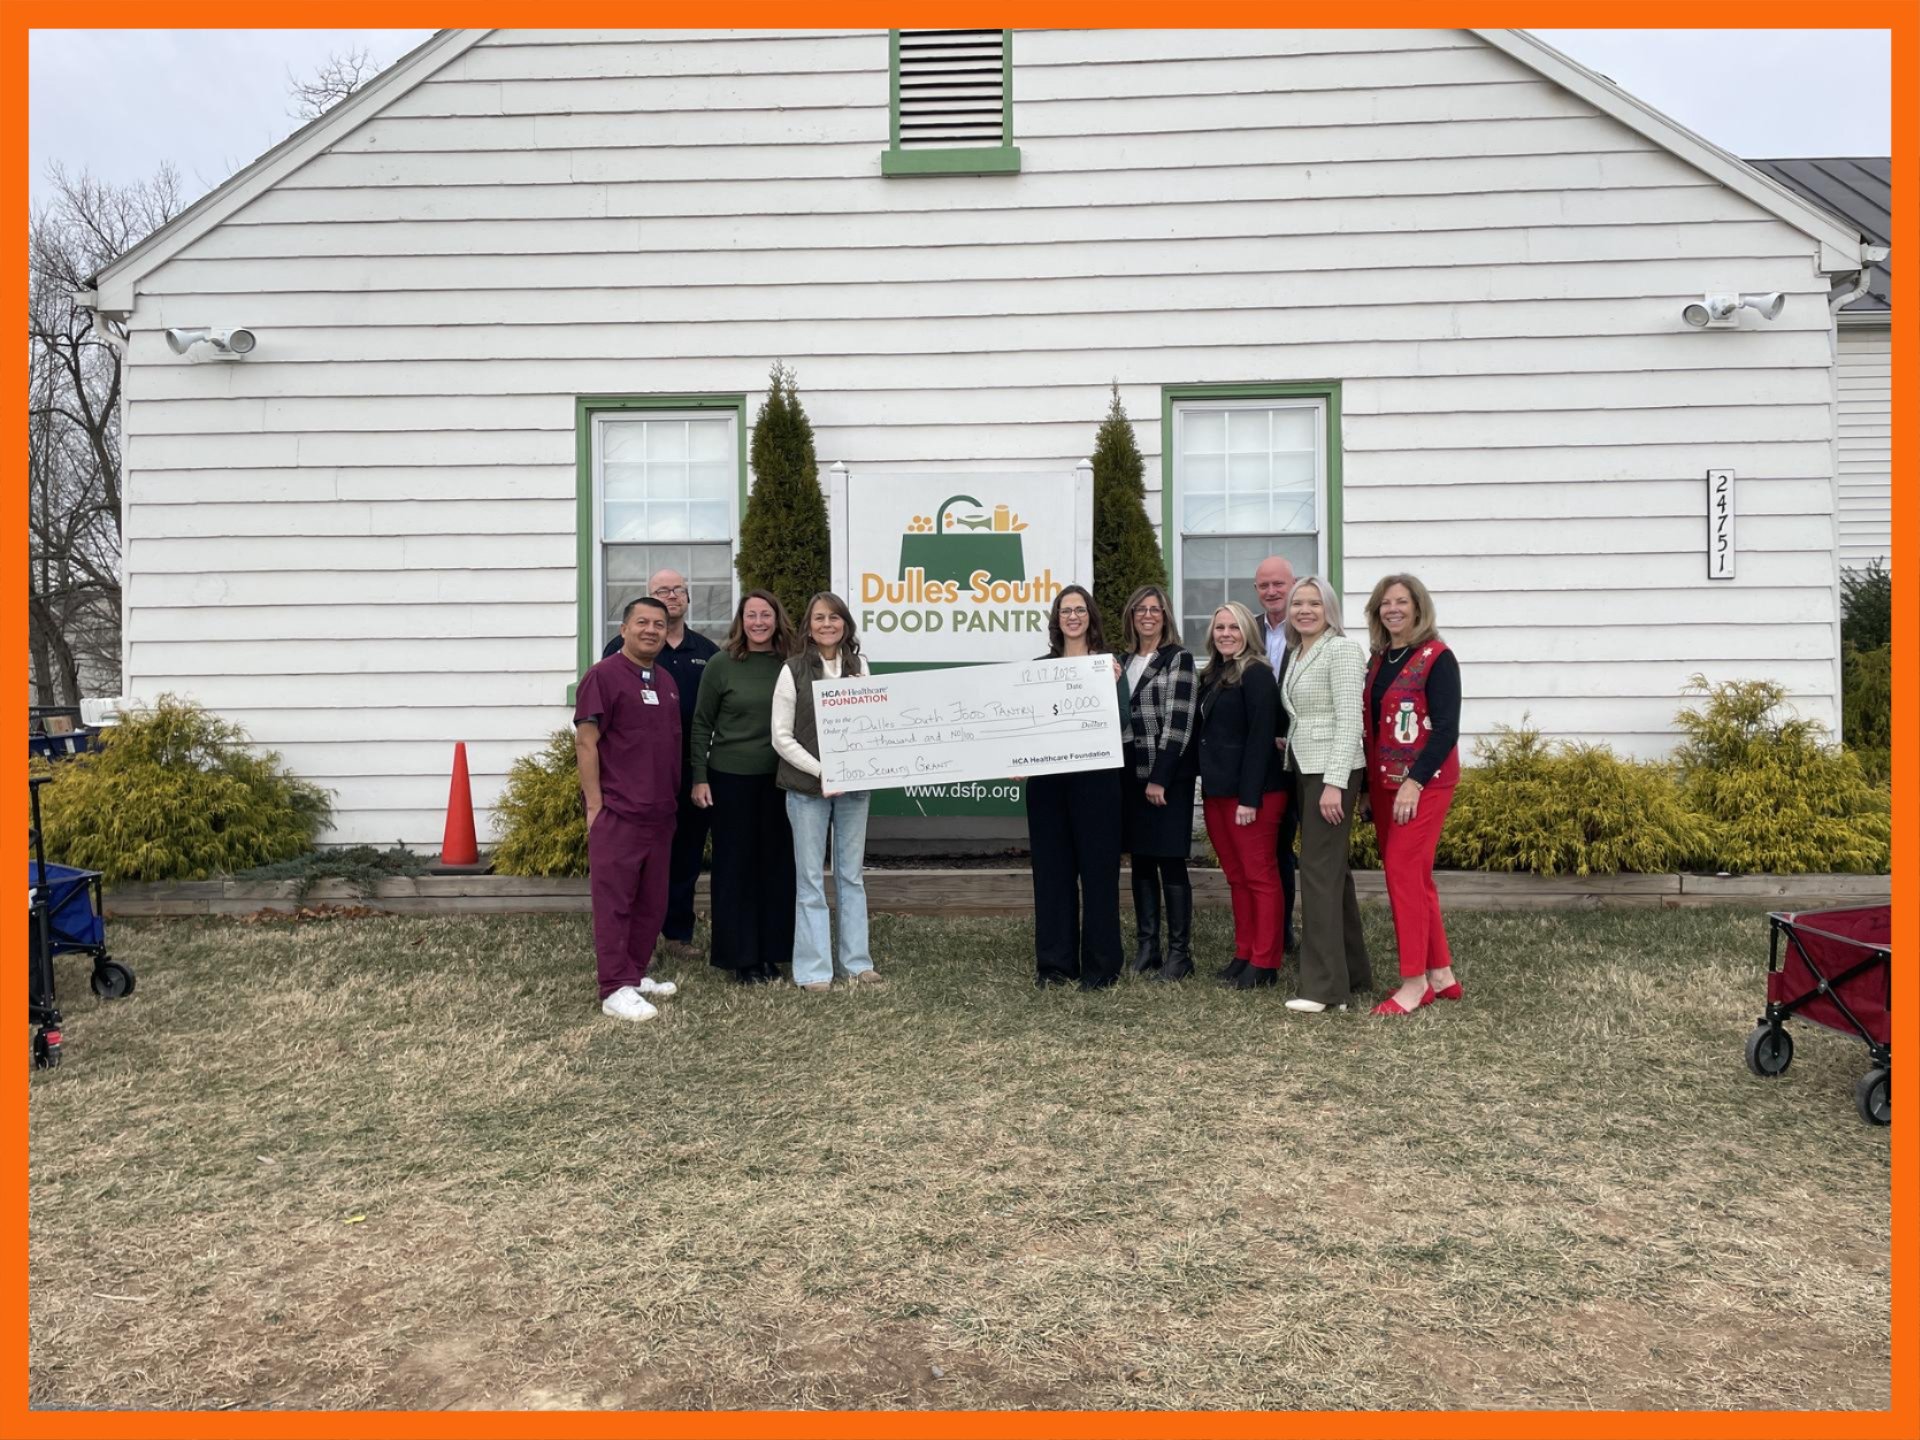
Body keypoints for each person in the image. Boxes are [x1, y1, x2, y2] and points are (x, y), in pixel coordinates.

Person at [573, 596, 683, 1022]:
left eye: (659, 623)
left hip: (660, 814)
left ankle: (634, 974)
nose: (651, 630)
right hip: (618, 812)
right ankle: (613, 987)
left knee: (652, 902)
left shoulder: (666, 682)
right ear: (624, 629)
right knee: (615, 902)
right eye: (642, 622)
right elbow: (586, 742)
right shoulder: (602, 677)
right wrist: (595, 804)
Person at [603, 569, 718, 961]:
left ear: (688, 598)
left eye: (678, 589)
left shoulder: (707, 651)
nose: (671, 596)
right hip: (637, 776)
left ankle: (677, 934)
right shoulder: (620, 651)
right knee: (640, 860)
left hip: (689, 772)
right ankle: (641, 940)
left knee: (685, 856)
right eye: (661, 591)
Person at [1362, 574, 1463, 1016]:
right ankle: (1441, 972)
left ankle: (1413, 982)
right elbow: (1373, 725)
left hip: (1424, 783)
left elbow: (1445, 730)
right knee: (1415, 877)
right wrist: (1368, 788)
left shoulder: (1438, 658)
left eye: (1402, 601)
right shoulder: (1380, 658)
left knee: (1402, 873)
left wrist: (1414, 782)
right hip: (1384, 785)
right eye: (1386, 603)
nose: (1393, 609)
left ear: (1418, 608)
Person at [772, 592, 881, 991]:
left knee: (851, 876)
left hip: (854, 789)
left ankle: (857, 964)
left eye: (834, 617)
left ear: (845, 624)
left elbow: (874, 726)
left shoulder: (860, 667)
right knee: (810, 880)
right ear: (809, 626)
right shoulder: (793, 670)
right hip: (807, 789)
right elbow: (781, 738)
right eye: (819, 618)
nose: (827, 624)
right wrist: (824, 773)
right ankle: (814, 970)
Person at [1023, 585, 1128, 991]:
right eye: (1065, 610)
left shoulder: (1108, 665)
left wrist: (1109, 684)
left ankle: (1101, 967)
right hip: (1048, 784)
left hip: (1097, 782)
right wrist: (1018, 759)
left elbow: (1120, 720)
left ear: (1090, 616)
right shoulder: (1038, 668)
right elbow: (1025, 722)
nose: (1072, 616)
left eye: (1079, 609)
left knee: (1099, 873)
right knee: (1052, 874)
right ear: (1057, 619)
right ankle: (1054, 965)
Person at [690, 590, 797, 984]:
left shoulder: (791, 664)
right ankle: (741, 958)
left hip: (782, 780)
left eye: (765, 614)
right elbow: (701, 723)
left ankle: (771, 954)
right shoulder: (721, 665)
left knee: (776, 866)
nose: (758, 622)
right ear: (741, 620)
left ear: (776, 619)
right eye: (750, 615)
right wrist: (699, 776)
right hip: (729, 779)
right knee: (735, 868)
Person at [1278, 575, 1374, 1014]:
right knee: (1333, 873)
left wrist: (1335, 782)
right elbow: (1306, 714)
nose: (1304, 610)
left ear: (1329, 609)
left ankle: (1323, 989)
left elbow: (1350, 722)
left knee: (1316, 872)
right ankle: (1353, 973)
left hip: (1331, 774)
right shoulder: (1298, 652)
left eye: (1314, 603)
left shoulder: (1341, 650)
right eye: (1298, 603)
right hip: (1304, 767)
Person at [1194, 602, 1289, 990]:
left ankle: (1265, 963)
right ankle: (1244, 952)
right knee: (1236, 877)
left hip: (1254, 794)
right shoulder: (1213, 673)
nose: (1226, 633)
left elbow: (1260, 739)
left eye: (1234, 627)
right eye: (1220, 627)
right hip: (1218, 790)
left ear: (1248, 631)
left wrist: (1249, 798)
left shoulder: (1257, 675)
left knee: (1260, 876)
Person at [1119, 584, 1199, 982]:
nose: (1148, 616)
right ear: (1131, 616)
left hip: (1166, 777)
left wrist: (1160, 778)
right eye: (1140, 610)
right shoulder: (1121, 661)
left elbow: (1179, 723)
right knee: (1141, 861)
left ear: (1165, 616)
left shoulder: (1178, 660)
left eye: (1155, 610)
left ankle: (1180, 954)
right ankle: (1148, 946)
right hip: (1129, 775)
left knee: (1169, 860)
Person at [1252, 555, 1301, 960]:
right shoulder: (1247, 628)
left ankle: (1286, 931)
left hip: (1298, 754)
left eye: (1278, 584)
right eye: (1264, 585)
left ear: (1293, 584)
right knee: (1269, 846)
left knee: (1287, 846)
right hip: (1258, 755)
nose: (1271, 591)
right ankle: (1272, 929)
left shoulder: (1308, 627)